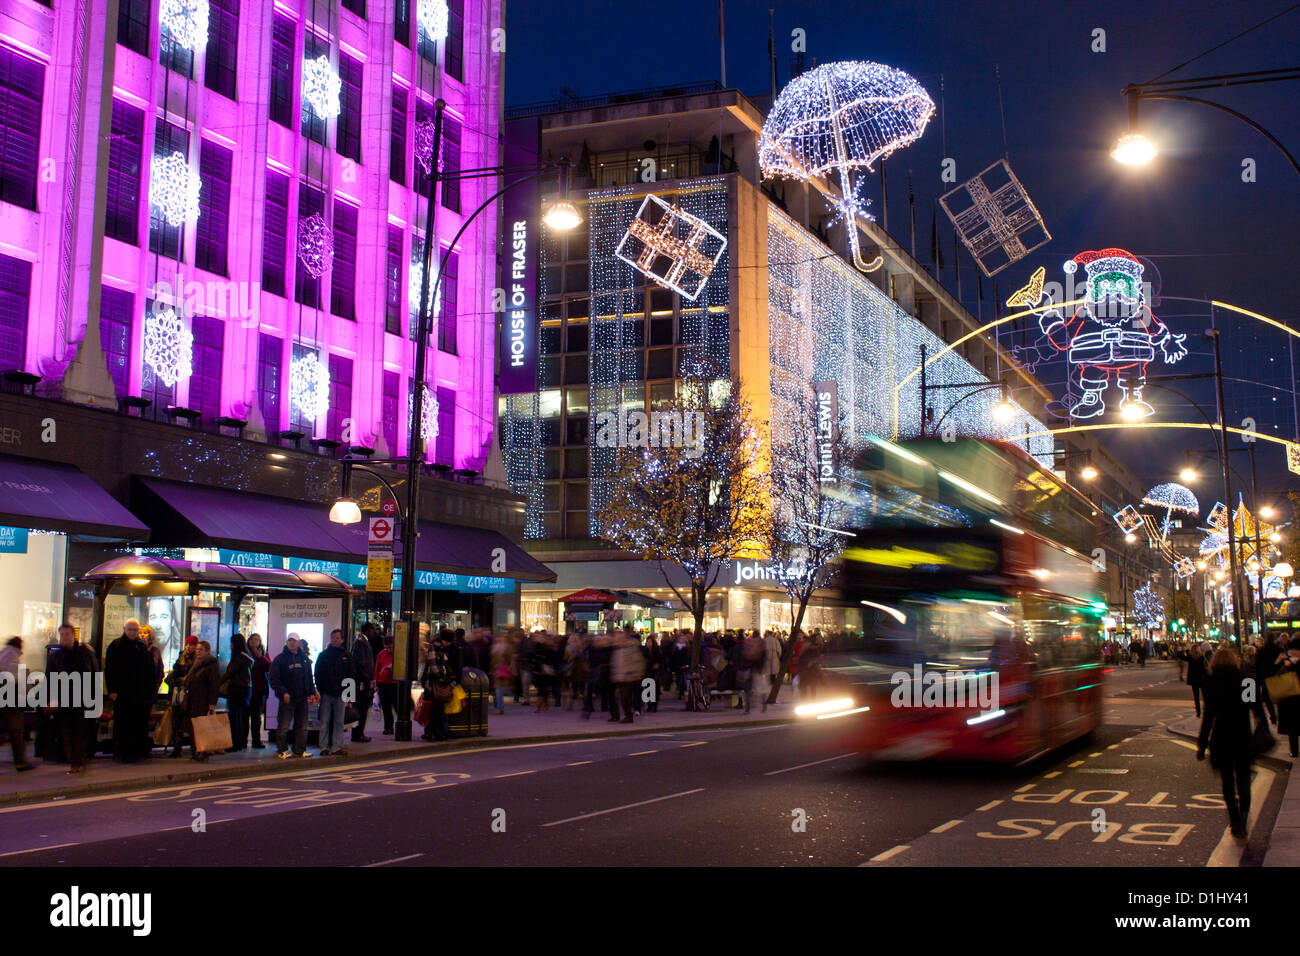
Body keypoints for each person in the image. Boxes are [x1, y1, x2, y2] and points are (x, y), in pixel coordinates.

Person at [1197, 645, 1256, 838]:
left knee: (1228, 783)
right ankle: (1244, 817)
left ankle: (1234, 819)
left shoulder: (1211, 682)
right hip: (1243, 736)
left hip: (1221, 738)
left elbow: (1208, 717)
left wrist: (1202, 743)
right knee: (1244, 781)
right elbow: (1256, 709)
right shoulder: (1247, 681)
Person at [45, 624, 97, 774]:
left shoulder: (85, 653)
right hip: (63, 699)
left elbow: (94, 674)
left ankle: (76, 762)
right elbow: (50, 678)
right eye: (62, 634)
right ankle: (73, 759)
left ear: (73, 636)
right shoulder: (55, 656)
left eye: (67, 634)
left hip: (81, 698)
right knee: (66, 732)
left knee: (79, 732)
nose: (64, 637)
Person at [103, 618, 156, 763]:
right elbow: (110, 669)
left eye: (135, 630)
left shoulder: (140, 646)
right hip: (122, 692)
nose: (132, 632)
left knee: (136, 723)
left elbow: (148, 670)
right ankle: (121, 751)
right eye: (130, 629)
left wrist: (148, 691)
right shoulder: (116, 645)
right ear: (124, 629)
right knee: (122, 723)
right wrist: (112, 689)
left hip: (138, 692)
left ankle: (134, 751)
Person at [270, 635, 318, 759]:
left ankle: (299, 749)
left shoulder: (305, 660)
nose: (292, 643)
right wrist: (283, 692)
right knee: (284, 726)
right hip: (287, 698)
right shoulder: (280, 659)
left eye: (294, 641)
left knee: (302, 726)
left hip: (302, 698)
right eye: (289, 641)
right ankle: (282, 749)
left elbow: (308, 678)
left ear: (298, 643)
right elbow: (274, 679)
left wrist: (312, 692)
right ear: (286, 642)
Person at [314, 629, 354, 756]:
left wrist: (349, 695)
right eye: (333, 638)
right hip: (327, 693)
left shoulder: (347, 655)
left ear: (342, 640)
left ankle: (336, 746)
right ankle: (324, 747)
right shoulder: (324, 655)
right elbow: (318, 674)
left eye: (337, 638)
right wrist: (321, 690)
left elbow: (351, 674)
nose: (335, 640)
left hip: (341, 693)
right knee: (325, 721)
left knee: (339, 721)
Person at [182, 640, 221, 762]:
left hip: (202, 700)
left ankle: (202, 751)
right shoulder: (195, 664)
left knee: (202, 728)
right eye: (197, 649)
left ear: (207, 651)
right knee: (193, 727)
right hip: (192, 700)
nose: (198, 652)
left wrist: (212, 703)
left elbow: (214, 685)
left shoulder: (210, 665)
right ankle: (195, 751)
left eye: (201, 650)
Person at [0, 637, 33, 771]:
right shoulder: (13, 655)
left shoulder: (2, 653)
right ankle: (21, 762)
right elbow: (17, 678)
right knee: (16, 731)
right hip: (10, 698)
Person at [221, 633, 253, 753]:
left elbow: (230, 672)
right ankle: (239, 742)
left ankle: (235, 743)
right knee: (239, 716)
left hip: (237, 689)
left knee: (234, 717)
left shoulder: (239, 658)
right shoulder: (246, 657)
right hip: (245, 690)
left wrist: (218, 683)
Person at [420, 632, 455, 741]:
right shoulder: (434, 647)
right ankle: (434, 733)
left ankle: (432, 732)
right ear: (444, 640)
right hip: (433, 683)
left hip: (435, 683)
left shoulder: (439, 648)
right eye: (448, 642)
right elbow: (434, 665)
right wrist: (442, 678)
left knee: (436, 709)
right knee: (436, 709)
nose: (449, 644)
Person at [165, 639, 197, 757]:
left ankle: (194, 749)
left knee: (189, 723)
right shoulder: (180, 659)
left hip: (190, 695)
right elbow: (173, 678)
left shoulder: (196, 661)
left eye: (193, 645)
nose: (190, 647)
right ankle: (176, 748)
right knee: (177, 723)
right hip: (179, 693)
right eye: (189, 645)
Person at [610, 627, 644, 724]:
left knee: (626, 697)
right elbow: (616, 663)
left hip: (628, 676)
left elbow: (637, 661)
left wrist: (634, 673)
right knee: (623, 697)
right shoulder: (618, 648)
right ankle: (628, 714)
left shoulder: (630, 647)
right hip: (621, 676)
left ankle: (629, 715)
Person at [1275, 635, 1300, 758]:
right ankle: (1294, 750)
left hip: (1292, 698)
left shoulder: (1290, 663)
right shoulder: (1287, 662)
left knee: (1293, 727)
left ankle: (1294, 751)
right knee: (1293, 726)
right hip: (1291, 698)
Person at [246, 634, 271, 748]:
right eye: (252, 639)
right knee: (245, 715)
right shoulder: (245, 652)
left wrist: (259, 656)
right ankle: (242, 740)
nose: (254, 642)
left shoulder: (263, 654)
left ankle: (256, 740)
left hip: (259, 689)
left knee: (256, 716)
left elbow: (268, 666)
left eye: (257, 640)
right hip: (247, 688)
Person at [350, 630, 375, 744]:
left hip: (360, 682)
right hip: (361, 683)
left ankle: (358, 732)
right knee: (362, 708)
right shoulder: (361, 643)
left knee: (361, 708)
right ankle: (358, 733)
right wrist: (367, 680)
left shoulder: (360, 642)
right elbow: (361, 664)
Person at [489, 631, 516, 716]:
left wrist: (511, 668)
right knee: (498, 690)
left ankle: (499, 708)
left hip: (503, 670)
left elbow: (511, 660)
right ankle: (499, 706)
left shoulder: (507, 648)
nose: (499, 639)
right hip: (496, 671)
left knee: (499, 690)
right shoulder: (495, 647)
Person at [375, 635, 397, 734]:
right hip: (383, 683)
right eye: (386, 647)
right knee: (386, 707)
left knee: (396, 706)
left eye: (390, 647)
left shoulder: (398, 655)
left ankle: (397, 725)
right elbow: (377, 669)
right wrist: (376, 682)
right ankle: (388, 727)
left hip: (394, 683)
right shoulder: (381, 654)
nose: (388, 650)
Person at [1185, 642, 1209, 718]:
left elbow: (1181, 656)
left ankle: (1198, 712)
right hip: (1202, 679)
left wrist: (1186, 650)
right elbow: (1206, 666)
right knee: (1204, 696)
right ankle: (1206, 711)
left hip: (1194, 679)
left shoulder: (1190, 657)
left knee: (1196, 696)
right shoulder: (1202, 657)